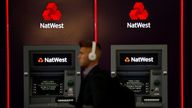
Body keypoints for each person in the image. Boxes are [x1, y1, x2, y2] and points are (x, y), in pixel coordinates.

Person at [75, 40, 112, 108]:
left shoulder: (97, 78)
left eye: (82, 53)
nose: (78, 56)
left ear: (92, 56)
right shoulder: (89, 76)